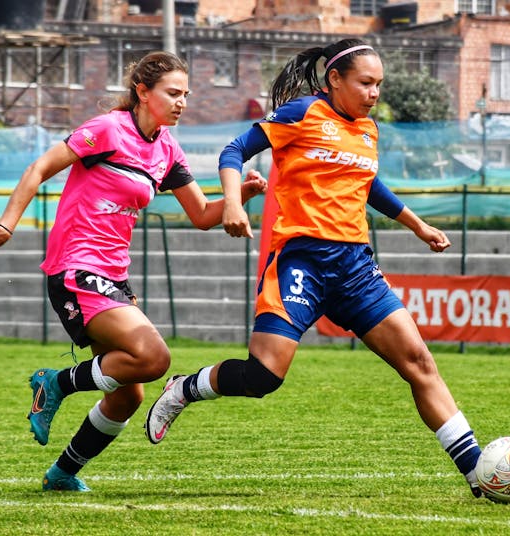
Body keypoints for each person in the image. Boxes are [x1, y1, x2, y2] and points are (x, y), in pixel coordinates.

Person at [145, 38, 485, 498]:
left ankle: (479, 473)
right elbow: (232, 151)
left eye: (379, 85)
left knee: (420, 362)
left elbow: (368, 185)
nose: (374, 93)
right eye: (365, 83)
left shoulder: (368, 130)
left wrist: (418, 225)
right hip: (300, 262)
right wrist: (232, 204)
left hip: (355, 267)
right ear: (335, 80)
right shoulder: (300, 114)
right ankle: (185, 388)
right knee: (263, 377)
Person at [0, 51, 267, 492]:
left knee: (128, 393)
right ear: (143, 92)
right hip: (75, 267)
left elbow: (202, 214)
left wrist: (244, 194)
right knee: (154, 358)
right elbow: (39, 169)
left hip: (114, 277)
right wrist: (5, 226)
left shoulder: (166, 148)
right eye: (173, 93)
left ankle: (62, 474)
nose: (182, 102)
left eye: (186, 94)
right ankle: (55, 383)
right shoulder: (107, 129)